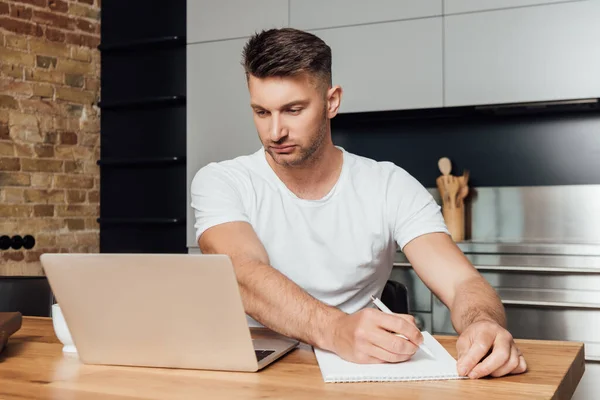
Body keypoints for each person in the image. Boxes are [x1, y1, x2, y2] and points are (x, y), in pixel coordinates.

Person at [190, 28, 527, 379]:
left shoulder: (389, 185)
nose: (275, 132)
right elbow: (243, 273)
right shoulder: (222, 181)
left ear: (332, 101)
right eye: (261, 112)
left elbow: (461, 283)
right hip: (252, 370)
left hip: (357, 372)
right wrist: (337, 330)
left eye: (293, 110)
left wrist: (483, 323)